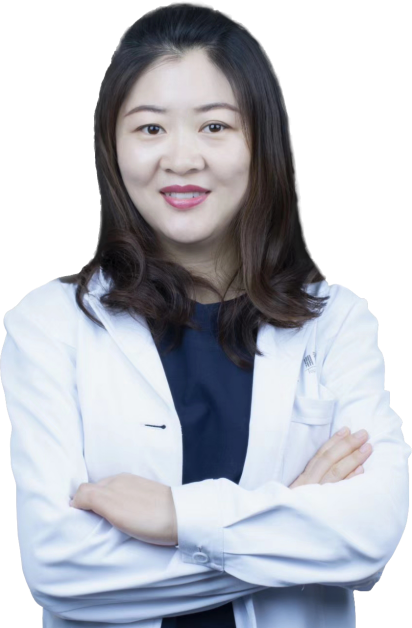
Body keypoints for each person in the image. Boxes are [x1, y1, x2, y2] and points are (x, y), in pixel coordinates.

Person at [2, 4, 411, 628]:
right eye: (150, 128)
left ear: (260, 141)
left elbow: (372, 535)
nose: (182, 158)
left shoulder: (336, 323)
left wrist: (177, 518)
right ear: (113, 147)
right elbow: (59, 569)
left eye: (215, 126)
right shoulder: (52, 324)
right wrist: (293, 516)